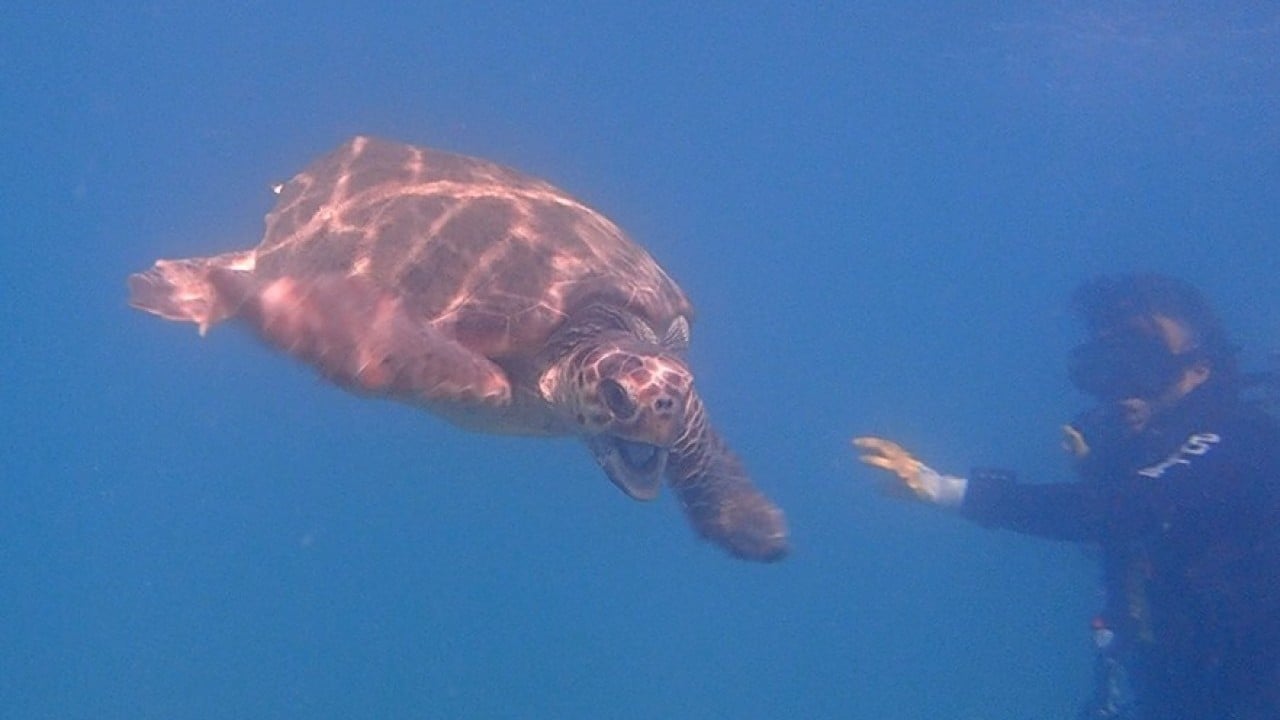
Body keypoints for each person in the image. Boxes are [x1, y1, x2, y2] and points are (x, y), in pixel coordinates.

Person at [854, 274, 1280, 719]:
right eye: (1109, 367)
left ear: (1199, 370)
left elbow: (1124, 512)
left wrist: (945, 490)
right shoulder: (1137, 466)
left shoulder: (1243, 437)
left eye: (1144, 362)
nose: (1126, 388)